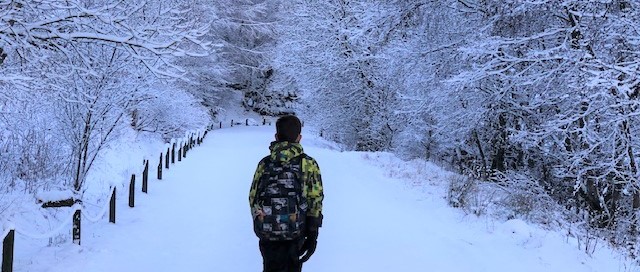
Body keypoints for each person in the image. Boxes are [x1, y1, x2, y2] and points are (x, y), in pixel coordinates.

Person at [249, 115, 324, 272]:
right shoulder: (308, 164)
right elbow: (315, 199)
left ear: (276, 137)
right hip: (296, 232)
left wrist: (261, 221)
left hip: (267, 231)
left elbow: (253, 197)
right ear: (299, 137)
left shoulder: (265, 163)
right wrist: (312, 234)